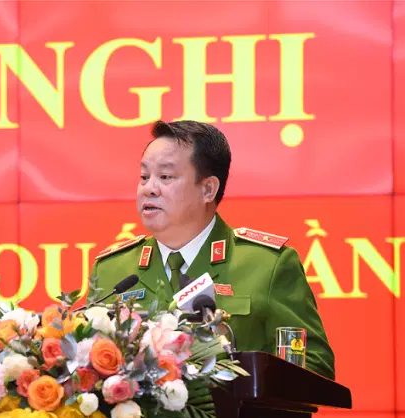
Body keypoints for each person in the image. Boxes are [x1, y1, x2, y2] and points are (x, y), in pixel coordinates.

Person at [89, 120, 335, 380]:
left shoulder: (267, 265)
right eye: (144, 177)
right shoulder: (111, 270)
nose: (149, 188)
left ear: (208, 189)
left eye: (165, 177)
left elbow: (312, 365)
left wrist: (237, 382)